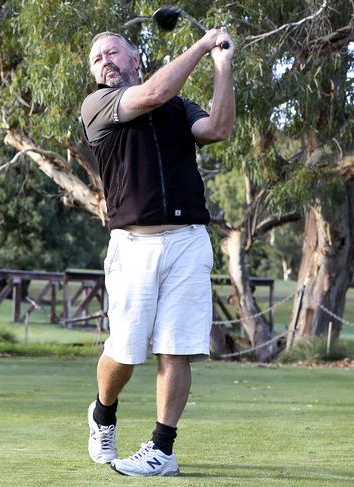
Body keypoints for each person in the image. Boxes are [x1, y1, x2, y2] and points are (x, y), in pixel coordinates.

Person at [80, 28, 235, 476]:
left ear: (136, 56)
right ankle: (104, 412)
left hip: (187, 240)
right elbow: (152, 92)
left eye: (112, 52)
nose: (103, 62)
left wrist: (223, 67)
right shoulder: (98, 105)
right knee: (125, 352)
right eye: (96, 59)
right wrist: (204, 45)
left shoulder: (179, 106)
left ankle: (162, 449)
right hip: (133, 245)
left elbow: (218, 128)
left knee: (177, 349)